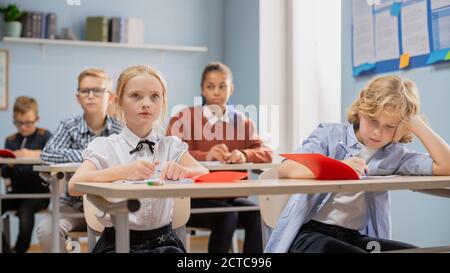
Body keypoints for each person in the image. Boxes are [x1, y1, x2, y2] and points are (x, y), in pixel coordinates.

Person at [266, 75, 450, 253]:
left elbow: (446, 166)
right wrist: (338, 167)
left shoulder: (394, 154)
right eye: (373, 120)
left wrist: (414, 121)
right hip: (308, 234)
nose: (378, 133)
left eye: (390, 126)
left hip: (353, 237)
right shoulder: (329, 134)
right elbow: (286, 169)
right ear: (362, 110)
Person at [68, 65, 208, 253]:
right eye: (136, 96)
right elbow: (74, 185)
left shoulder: (171, 145)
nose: (146, 103)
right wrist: (124, 171)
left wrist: (185, 171)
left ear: (163, 102)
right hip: (116, 242)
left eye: (154, 96)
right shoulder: (104, 146)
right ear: (118, 102)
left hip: (164, 242)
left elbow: (204, 173)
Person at [167, 62, 271, 253]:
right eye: (210, 86)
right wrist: (206, 155)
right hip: (192, 199)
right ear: (202, 90)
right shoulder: (184, 118)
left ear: (231, 88)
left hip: (230, 196)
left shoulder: (244, 122)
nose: (216, 92)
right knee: (227, 216)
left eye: (222, 86)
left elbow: (265, 152)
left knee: (257, 214)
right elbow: (169, 151)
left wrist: (244, 154)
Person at [37, 68, 122, 252]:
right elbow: (48, 154)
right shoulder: (68, 126)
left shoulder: (120, 129)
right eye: (85, 91)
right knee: (46, 231)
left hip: (111, 206)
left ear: (111, 97)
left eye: (97, 90)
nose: (90, 95)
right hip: (72, 207)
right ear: (78, 97)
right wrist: (91, 156)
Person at [1, 96, 52, 253]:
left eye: (28, 123)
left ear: (37, 119)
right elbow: (5, 173)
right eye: (19, 123)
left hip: (39, 194)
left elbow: (53, 158)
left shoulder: (45, 136)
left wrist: (30, 154)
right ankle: (5, 249)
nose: (23, 127)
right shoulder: (11, 140)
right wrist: (8, 165)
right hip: (16, 192)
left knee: (25, 214)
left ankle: (19, 250)